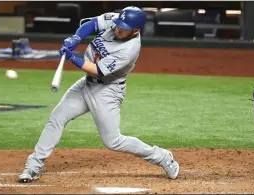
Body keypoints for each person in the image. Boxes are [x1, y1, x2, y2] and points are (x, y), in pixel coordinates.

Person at [18, 6, 179, 183]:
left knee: (113, 141)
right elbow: (92, 24)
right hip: (86, 84)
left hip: (107, 91)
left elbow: (97, 71)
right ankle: (32, 167)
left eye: (123, 28)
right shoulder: (118, 20)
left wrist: (72, 57)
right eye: (118, 25)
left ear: (135, 31)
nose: (117, 29)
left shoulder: (129, 49)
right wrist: (76, 37)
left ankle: (162, 157)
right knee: (57, 117)